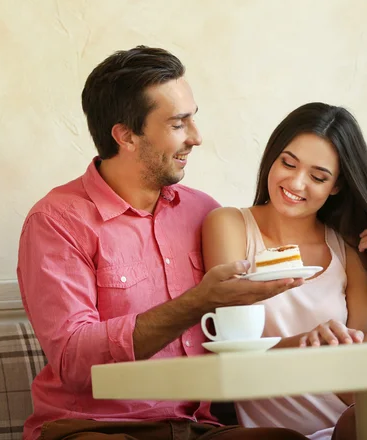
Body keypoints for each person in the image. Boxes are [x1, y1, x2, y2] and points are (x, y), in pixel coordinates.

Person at [16, 46, 309, 440]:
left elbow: (235, 339)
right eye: (178, 124)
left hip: (195, 427)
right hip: (92, 428)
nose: (197, 138)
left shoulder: (204, 212)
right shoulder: (56, 221)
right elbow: (73, 359)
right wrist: (198, 302)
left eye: (194, 120)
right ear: (125, 136)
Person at [201, 102, 367, 440]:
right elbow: (236, 354)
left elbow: (358, 390)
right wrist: (304, 344)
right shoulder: (229, 225)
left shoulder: (346, 248)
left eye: (317, 177)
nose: (296, 183)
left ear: (337, 186)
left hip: (350, 427)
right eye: (288, 163)